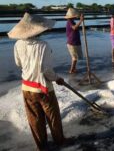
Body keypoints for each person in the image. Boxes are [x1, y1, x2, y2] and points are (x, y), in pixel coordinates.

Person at [8, 13, 71, 151]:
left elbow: (18, 63)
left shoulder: (18, 44)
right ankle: (60, 141)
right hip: (44, 89)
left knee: (34, 120)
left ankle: (41, 146)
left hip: (27, 88)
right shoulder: (43, 45)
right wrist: (57, 79)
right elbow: (47, 71)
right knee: (53, 117)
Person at [65, 8, 84, 74]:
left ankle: (73, 69)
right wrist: (81, 21)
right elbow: (74, 27)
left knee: (75, 57)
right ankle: (71, 70)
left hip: (74, 41)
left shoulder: (72, 21)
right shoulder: (70, 21)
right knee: (74, 58)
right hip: (72, 42)